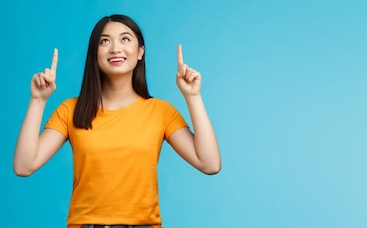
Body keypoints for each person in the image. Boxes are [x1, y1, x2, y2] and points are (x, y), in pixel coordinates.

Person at [13, 14, 221, 228]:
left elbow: (209, 163)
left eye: (125, 39)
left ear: (140, 52)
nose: (115, 48)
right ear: (95, 53)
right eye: (105, 41)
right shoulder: (71, 110)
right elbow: (24, 166)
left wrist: (193, 97)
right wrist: (37, 101)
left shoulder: (160, 112)